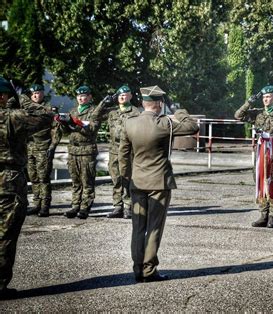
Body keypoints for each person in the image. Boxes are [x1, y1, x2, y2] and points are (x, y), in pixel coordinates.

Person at [119, 85, 199, 283]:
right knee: (154, 227)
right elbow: (192, 126)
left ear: (144, 103)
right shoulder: (164, 124)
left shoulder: (129, 123)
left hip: (137, 182)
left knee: (138, 227)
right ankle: (149, 270)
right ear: (159, 104)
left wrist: (126, 178)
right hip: (159, 183)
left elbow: (123, 156)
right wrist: (177, 109)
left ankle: (137, 269)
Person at [0, 77, 52, 299]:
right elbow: (46, 117)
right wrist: (22, 97)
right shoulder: (10, 117)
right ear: (4, 96)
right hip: (7, 181)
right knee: (5, 235)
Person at [234, 85, 273, 228]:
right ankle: (263, 215)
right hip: (261, 154)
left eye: (268, 97)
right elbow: (238, 115)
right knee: (260, 182)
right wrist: (249, 102)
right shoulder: (258, 114)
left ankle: (272, 217)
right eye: (264, 97)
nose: (266, 100)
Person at [61, 86, 103, 219]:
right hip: (73, 150)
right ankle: (75, 206)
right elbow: (66, 133)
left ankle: (85, 207)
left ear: (90, 97)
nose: (80, 98)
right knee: (75, 180)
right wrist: (63, 123)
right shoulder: (72, 111)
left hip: (87, 150)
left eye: (84, 95)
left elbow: (92, 129)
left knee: (87, 180)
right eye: (78, 96)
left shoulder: (94, 111)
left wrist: (76, 124)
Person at [22, 84, 61, 217]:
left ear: (42, 94)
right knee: (33, 178)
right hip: (30, 148)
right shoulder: (27, 110)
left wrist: (52, 147)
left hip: (43, 148)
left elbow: (56, 130)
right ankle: (36, 203)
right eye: (33, 94)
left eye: (38, 93)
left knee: (43, 178)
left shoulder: (49, 110)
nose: (35, 95)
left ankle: (45, 206)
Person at [106, 85, 140, 219]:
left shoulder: (135, 113)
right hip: (114, 150)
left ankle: (128, 207)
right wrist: (105, 102)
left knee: (127, 178)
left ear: (130, 96)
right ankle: (117, 207)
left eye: (125, 94)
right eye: (119, 95)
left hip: (128, 151)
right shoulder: (112, 113)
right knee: (116, 179)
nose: (122, 97)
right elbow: (97, 116)